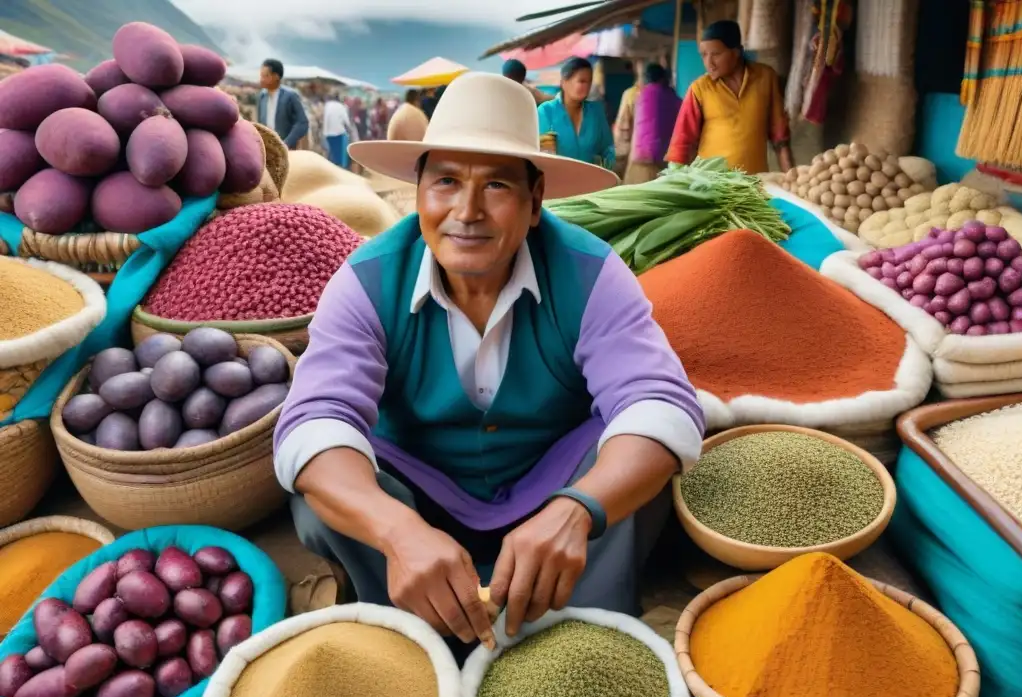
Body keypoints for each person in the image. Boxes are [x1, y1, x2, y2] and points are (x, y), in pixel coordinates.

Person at [274, 72, 705, 652]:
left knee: (641, 465)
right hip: (419, 491)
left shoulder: (590, 271)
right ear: (417, 194)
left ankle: (576, 642)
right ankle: (414, 631)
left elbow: (662, 404)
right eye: (446, 182)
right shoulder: (366, 281)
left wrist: (577, 510)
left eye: (497, 186)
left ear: (535, 204)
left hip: (552, 484)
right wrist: (397, 530)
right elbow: (311, 421)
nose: (467, 211)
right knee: (320, 491)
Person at [666, 21, 792, 174]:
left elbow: (779, 134)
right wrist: (674, 181)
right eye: (704, 55)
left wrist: (791, 177)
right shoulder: (700, 89)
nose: (709, 63)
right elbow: (682, 142)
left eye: (716, 54)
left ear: (737, 52)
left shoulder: (765, 77)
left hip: (753, 184)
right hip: (711, 187)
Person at [537, 57, 616, 170]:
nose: (587, 87)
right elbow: (543, 156)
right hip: (557, 182)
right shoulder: (546, 111)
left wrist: (609, 172)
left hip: (592, 183)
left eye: (589, 82)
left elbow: (607, 148)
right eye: (582, 81)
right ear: (564, 82)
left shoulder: (596, 112)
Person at [624, 63, 682, 184]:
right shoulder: (675, 99)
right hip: (663, 161)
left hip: (640, 159)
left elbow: (625, 129)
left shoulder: (639, 95)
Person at [257, 59, 309, 150]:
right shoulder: (262, 97)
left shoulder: (290, 96)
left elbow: (302, 123)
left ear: (276, 77)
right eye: (261, 76)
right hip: (267, 149)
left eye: (265, 76)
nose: (261, 79)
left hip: (287, 151)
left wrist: (286, 143)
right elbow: (260, 123)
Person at [322, 92, 355, 169]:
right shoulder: (341, 106)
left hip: (328, 134)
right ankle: (342, 169)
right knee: (341, 156)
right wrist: (350, 130)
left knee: (331, 154)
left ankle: (332, 169)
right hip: (339, 133)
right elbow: (346, 121)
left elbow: (325, 120)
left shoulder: (327, 105)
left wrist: (324, 133)